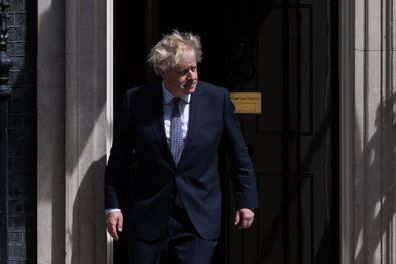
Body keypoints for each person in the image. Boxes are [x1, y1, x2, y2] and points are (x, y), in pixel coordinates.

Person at [105, 30, 259, 264]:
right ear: (163, 72)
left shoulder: (216, 99)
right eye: (184, 71)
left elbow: (239, 155)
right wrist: (113, 207)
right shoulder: (136, 101)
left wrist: (246, 201)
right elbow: (118, 161)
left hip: (197, 220)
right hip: (147, 220)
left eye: (194, 68)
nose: (192, 76)